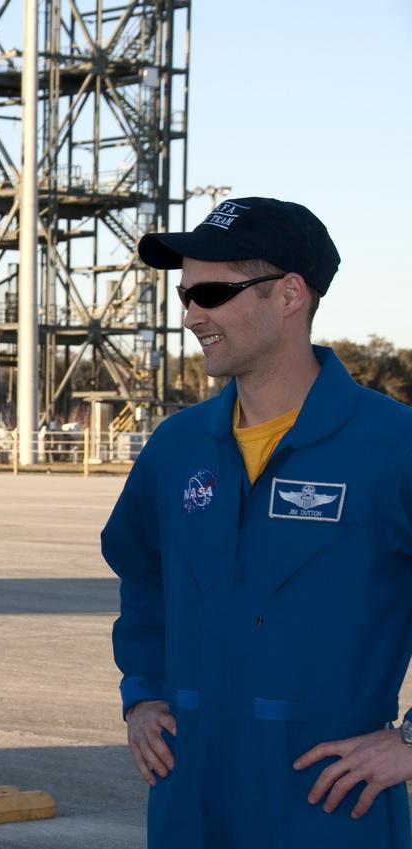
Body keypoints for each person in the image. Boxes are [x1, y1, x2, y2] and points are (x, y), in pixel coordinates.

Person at [103, 197, 412, 847]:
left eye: (212, 293)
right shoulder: (177, 447)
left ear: (290, 294)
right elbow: (143, 574)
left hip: (328, 806)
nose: (191, 315)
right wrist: (144, 694)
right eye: (186, 294)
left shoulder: (392, 447)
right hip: (190, 800)